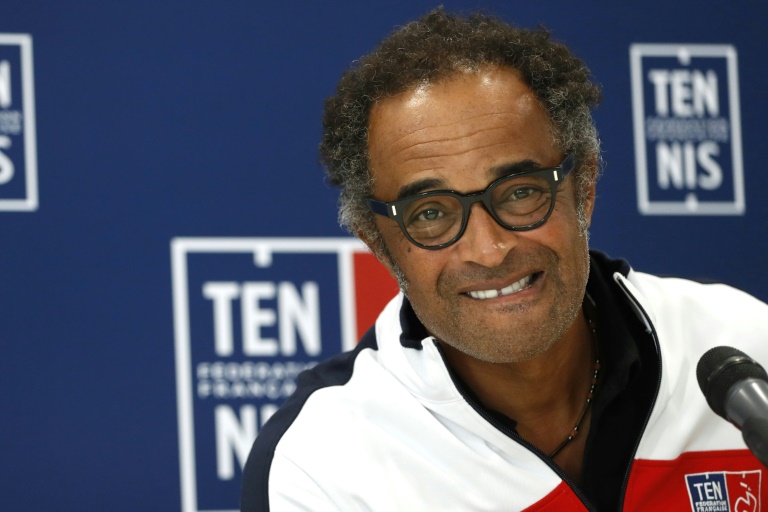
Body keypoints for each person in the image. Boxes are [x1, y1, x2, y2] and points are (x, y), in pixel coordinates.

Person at [241, 8, 768, 511]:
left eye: (519, 192)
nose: (489, 249)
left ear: (583, 187)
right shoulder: (324, 464)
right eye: (431, 213)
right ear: (379, 243)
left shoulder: (745, 352)